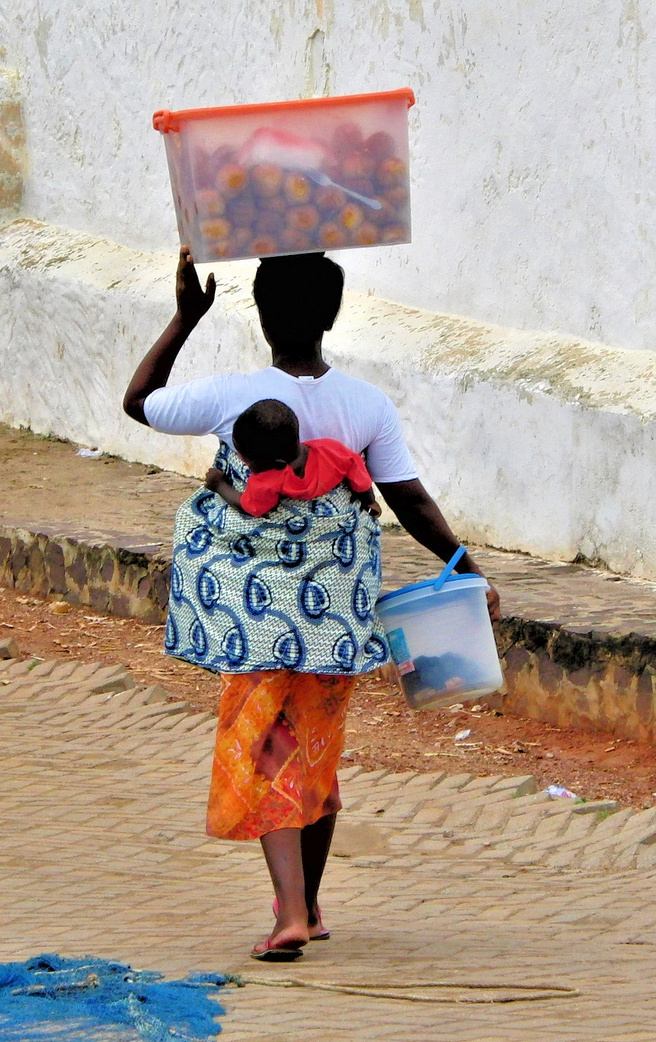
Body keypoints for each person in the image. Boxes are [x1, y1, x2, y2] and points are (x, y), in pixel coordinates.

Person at [124, 246, 500, 961]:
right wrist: (465, 565)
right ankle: (310, 903)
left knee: (265, 747)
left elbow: (138, 402)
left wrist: (183, 319)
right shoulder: (366, 405)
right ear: (332, 313)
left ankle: (291, 915)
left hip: (253, 622)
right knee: (317, 755)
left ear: (261, 314)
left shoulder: (232, 396)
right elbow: (408, 500)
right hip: (335, 622)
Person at [204, 398, 382, 518]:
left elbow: (250, 507)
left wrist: (218, 485)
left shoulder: (267, 481)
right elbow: (358, 472)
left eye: (247, 459)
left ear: (277, 464)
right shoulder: (331, 450)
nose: (242, 460)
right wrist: (369, 500)